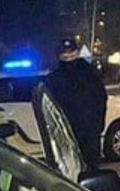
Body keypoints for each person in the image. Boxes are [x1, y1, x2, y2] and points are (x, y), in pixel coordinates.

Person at [44, 37, 108, 176]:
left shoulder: (90, 73)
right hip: (67, 135)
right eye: (65, 56)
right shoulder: (53, 79)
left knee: (92, 171)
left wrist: (98, 125)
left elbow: (101, 99)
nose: (69, 58)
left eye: (71, 54)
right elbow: (50, 109)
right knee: (71, 173)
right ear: (60, 56)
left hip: (90, 134)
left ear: (77, 53)